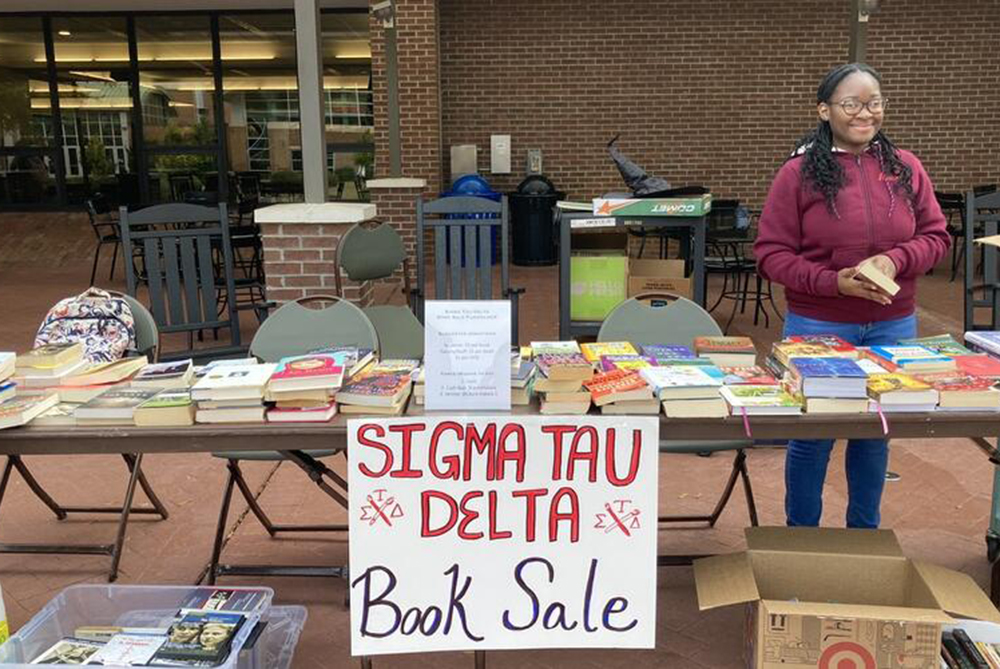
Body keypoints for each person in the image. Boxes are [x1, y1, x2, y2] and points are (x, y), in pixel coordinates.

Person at [754, 63, 950, 529]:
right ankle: (802, 538)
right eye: (852, 103)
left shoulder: (905, 168)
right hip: (819, 324)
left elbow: (937, 237)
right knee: (812, 437)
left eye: (875, 102)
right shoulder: (797, 174)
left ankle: (864, 537)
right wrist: (831, 282)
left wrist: (895, 260)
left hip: (893, 324)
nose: (866, 113)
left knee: (874, 435)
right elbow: (770, 254)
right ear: (824, 110)